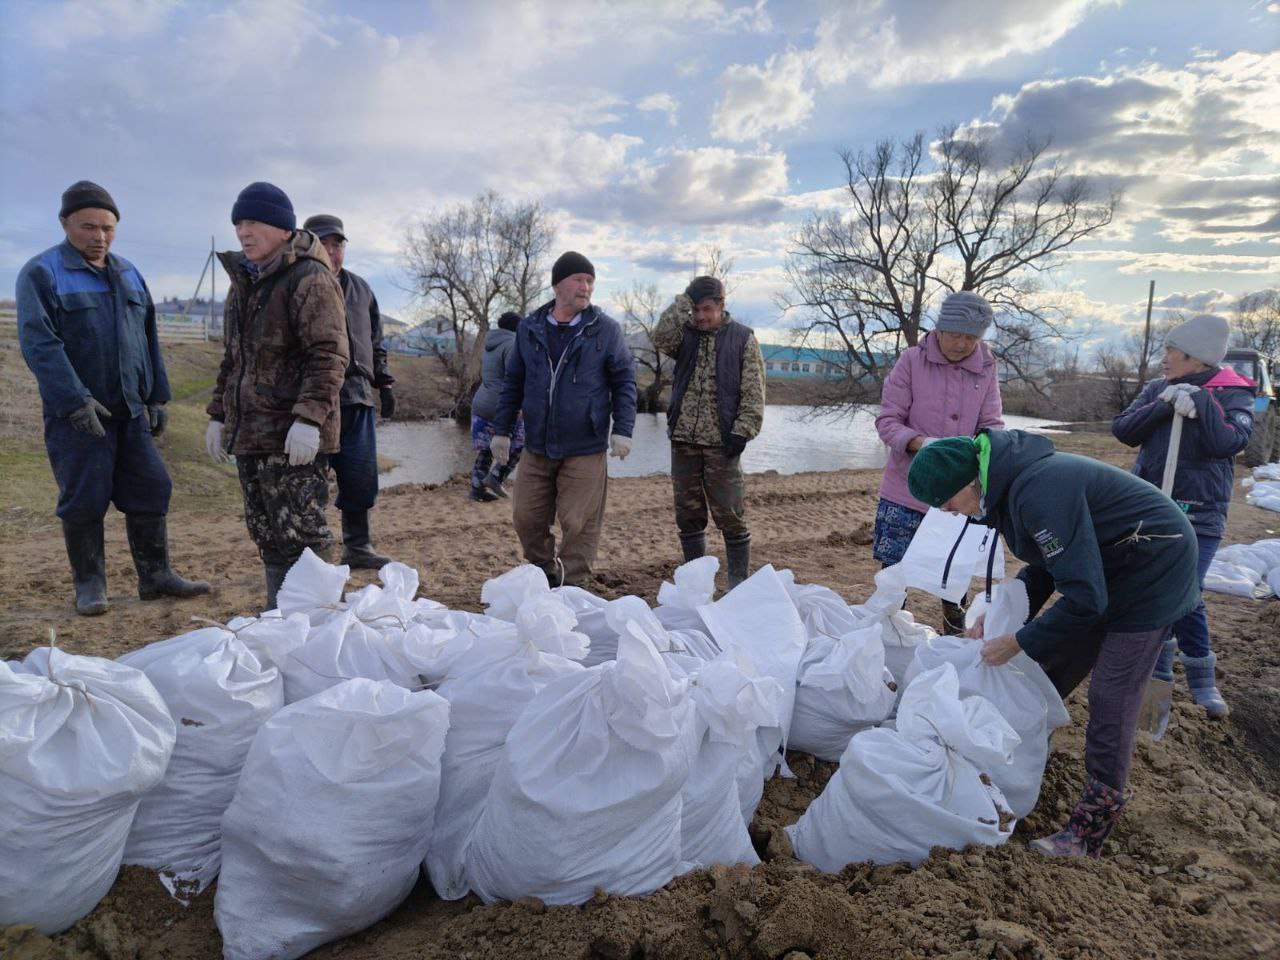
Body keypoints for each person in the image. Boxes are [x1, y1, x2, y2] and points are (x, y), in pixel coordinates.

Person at [908, 429, 1199, 860]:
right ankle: (1015, 763)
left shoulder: (1038, 491)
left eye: (948, 503)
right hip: (1108, 567)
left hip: (1153, 570)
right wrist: (1009, 612)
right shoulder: (1007, 487)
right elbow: (1048, 566)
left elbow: (1085, 597)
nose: (950, 514)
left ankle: (1089, 831)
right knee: (1046, 668)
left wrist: (1018, 639)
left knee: (1111, 698)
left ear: (969, 483)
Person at [17, 180, 209, 615]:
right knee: (84, 497)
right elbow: (40, 345)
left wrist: (158, 396)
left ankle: (155, 576)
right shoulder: (42, 273)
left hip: (130, 409)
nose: (98, 236)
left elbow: (148, 337)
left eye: (107, 227)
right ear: (65, 222)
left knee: (151, 487)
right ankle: (89, 584)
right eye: (88, 226)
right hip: (79, 414)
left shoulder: (128, 273)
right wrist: (74, 401)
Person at [205, 183, 348, 609]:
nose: (243, 232)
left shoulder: (309, 277)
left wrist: (308, 419)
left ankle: (321, 627)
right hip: (252, 433)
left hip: (293, 438)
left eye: (253, 222)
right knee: (267, 534)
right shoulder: (244, 283)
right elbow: (234, 359)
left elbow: (329, 354)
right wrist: (218, 415)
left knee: (303, 535)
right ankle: (282, 620)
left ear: (284, 229)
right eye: (238, 224)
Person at [1112, 314, 1254, 725]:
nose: (1164, 357)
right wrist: (1163, 405)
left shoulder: (1234, 393)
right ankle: (1158, 670)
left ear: (1195, 356)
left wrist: (1204, 404)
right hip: (1150, 506)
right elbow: (1123, 430)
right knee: (1153, 591)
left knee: (1184, 589)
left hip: (1201, 513)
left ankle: (1200, 672)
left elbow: (1228, 442)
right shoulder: (1157, 388)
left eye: (1171, 350)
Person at [490, 251, 636, 587]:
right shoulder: (530, 328)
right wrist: (502, 431)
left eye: (590, 281)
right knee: (526, 516)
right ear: (558, 285)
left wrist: (623, 430)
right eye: (579, 280)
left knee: (577, 521)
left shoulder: (605, 330)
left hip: (585, 445)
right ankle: (544, 571)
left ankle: (573, 586)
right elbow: (513, 383)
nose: (586, 287)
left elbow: (624, 382)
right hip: (537, 444)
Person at [874, 290, 1004, 633]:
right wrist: (922, 444)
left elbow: (992, 425)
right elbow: (887, 421)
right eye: (956, 335)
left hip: (959, 495)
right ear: (940, 329)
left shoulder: (986, 366)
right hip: (906, 488)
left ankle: (954, 638)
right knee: (894, 575)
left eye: (971, 338)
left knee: (954, 579)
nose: (963, 345)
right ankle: (888, 635)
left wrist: (983, 459)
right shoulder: (912, 361)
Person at [652, 276, 765, 588]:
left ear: (721, 307)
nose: (700, 316)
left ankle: (737, 581)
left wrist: (743, 430)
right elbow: (660, 336)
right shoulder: (684, 336)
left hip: (722, 443)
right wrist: (682, 302)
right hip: (683, 441)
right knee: (687, 516)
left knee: (730, 514)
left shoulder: (743, 338)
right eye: (695, 310)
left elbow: (754, 391)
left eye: (706, 309)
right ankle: (695, 583)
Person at [301, 214, 396, 568]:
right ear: (308, 244)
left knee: (360, 476)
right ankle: (311, 554)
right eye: (323, 243)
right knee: (309, 483)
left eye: (337, 244)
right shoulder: (299, 283)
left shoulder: (361, 289)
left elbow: (375, 340)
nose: (331, 250)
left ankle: (357, 546)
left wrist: (383, 382)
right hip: (314, 400)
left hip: (357, 397)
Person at [470, 311, 525, 501]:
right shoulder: (512, 345)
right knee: (520, 443)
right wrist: (519, 406)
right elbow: (515, 380)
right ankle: (496, 476)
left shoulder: (490, 345)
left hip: (481, 402)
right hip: (501, 405)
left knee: (486, 448)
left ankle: (476, 488)